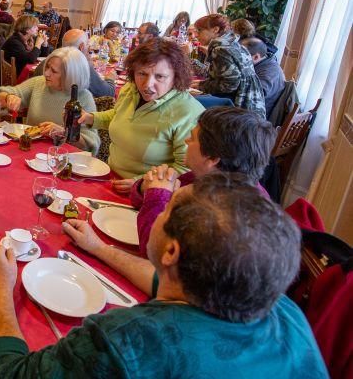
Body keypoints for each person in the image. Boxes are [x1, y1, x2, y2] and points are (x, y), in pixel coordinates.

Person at [0, 173, 326, 378]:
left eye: (168, 206)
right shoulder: (283, 309)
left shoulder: (130, 340)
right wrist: (99, 248)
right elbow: (166, 282)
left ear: (172, 251)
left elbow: (7, 374)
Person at [127, 106, 276, 252]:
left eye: (192, 138)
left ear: (212, 158)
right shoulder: (203, 176)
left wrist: (157, 196)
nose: (186, 141)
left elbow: (158, 252)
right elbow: (139, 201)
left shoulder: (231, 216)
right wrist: (144, 187)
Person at [77, 38, 205, 188]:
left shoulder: (188, 112)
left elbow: (187, 170)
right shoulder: (131, 90)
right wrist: (91, 118)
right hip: (109, 177)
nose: (147, 85)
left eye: (160, 76)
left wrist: (141, 183)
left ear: (176, 77)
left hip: (149, 192)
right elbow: (119, 116)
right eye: (142, 74)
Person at [0, 48, 99, 152]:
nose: (46, 73)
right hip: (29, 151)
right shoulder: (39, 84)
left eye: (53, 71)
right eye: (47, 67)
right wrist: (8, 97)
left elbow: (90, 144)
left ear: (70, 76)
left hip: (63, 158)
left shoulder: (84, 98)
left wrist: (64, 133)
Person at [193, 13, 265, 115]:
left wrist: (202, 86)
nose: (196, 35)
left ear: (215, 30)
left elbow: (230, 85)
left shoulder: (221, 49)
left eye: (199, 30)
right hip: (253, 103)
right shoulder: (233, 44)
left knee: (192, 105)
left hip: (239, 107)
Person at [59, 28, 115, 98]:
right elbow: (108, 94)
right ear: (81, 47)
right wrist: (110, 79)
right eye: (88, 44)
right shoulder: (83, 66)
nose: (90, 48)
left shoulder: (49, 61)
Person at [241, 36, 286, 117]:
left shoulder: (270, 72)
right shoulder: (262, 62)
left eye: (242, 55)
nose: (239, 58)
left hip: (254, 117)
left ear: (256, 57)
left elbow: (254, 97)